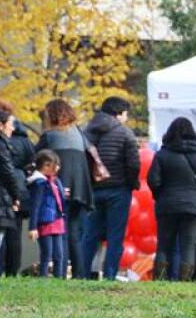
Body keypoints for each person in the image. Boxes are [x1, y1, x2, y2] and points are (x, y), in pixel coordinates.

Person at [148, 117, 196, 281]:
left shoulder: (163, 154)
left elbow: (153, 180)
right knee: (189, 245)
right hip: (194, 205)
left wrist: (161, 195)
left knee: (164, 245)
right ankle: (184, 281)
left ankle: (159, 280)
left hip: (167, 204)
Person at [80, 97, 140, 280]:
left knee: (89, 235)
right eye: (125, 114)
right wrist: (131, 183)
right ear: (119, 113)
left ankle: (83, 274)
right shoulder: (125, 133)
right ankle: (110, 274)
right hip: (118, 189)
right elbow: (134, 164)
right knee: (115, 236)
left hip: (93, 190)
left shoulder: (86, 131)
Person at [36, 99, 93, 279]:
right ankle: (79, 274)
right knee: (74, 234)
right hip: (81, 189)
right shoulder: (78, 133)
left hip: (60, 190)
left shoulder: (50, 136)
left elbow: (35, 158)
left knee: (61, 233)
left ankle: (61, 274)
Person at [0, 100, 35, 277]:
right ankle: (1, 274)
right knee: (1, 237)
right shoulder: (3, 144)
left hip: (3, 192)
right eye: (10, 124)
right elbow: (8, 170)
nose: (12, 127)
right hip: (2, 193)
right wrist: (16, 194)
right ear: (0, 124)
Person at [27, 150, 67, 279]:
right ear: (40, 166)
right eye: (47, 165)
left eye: (52, 165)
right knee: (47, 253)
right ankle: (43, 278)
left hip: (57, 219)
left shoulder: (55, 181)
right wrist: (32, 227)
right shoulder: (39, 183)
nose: (50, 168)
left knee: (59, 254)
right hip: (45, 221)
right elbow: (35, 206)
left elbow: (60, 198)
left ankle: (59, 279)